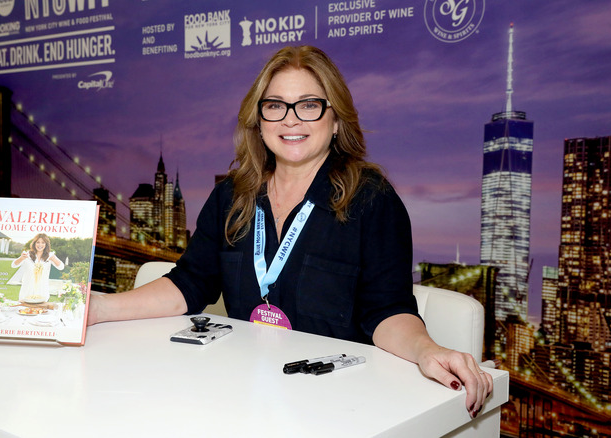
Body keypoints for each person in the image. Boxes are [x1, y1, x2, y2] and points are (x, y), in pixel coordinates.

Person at [87, 46, 493, 418]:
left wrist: (427, 350)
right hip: (241, 391)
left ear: (335, 120)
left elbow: (386, 310)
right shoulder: (231, 195)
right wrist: (100, 308)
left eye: (309, 105)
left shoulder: (372, 199)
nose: (291, 119)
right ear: (258, 121)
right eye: (276, 106)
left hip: (337, 402)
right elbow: (189, 283)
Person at [11, 233, 65, 302]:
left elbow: (61, 267)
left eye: (43, 243)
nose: (40, 245)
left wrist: (54, 259)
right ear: (34, 244)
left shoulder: (50, 256)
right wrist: (21, 258)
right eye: (38, 242)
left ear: (46, 245)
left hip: (42, 291)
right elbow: (13, 265)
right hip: (27, 290)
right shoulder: (27, 254)